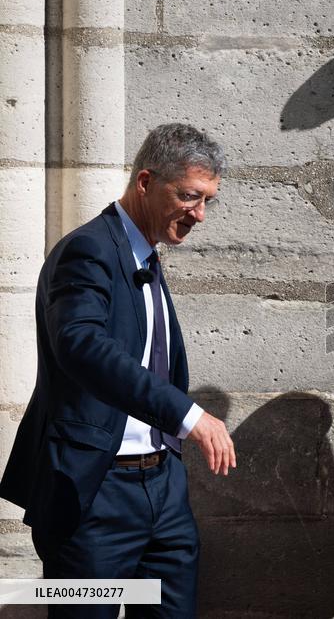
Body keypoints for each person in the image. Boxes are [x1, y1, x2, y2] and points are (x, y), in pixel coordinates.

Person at [0, 123, 237, 618]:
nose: (200, 214)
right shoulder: (88, 251)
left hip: (163, 492)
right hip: (95, 498)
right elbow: (81, 344)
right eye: (190, 196)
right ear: (146, 182)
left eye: (207, 200)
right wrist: (189, 416)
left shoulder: (148, 254)